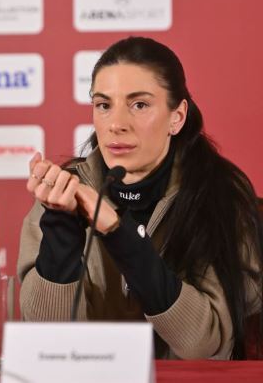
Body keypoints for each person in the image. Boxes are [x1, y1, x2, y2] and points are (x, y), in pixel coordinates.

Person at [18, 36, 263, 359]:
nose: (116, 124)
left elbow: (204, 348)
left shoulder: (220, 194)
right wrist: (61, 228)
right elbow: (47, 345)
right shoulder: (64, 191)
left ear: (177, 117)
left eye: (139, 105)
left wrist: (120, 234)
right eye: (104, 105)